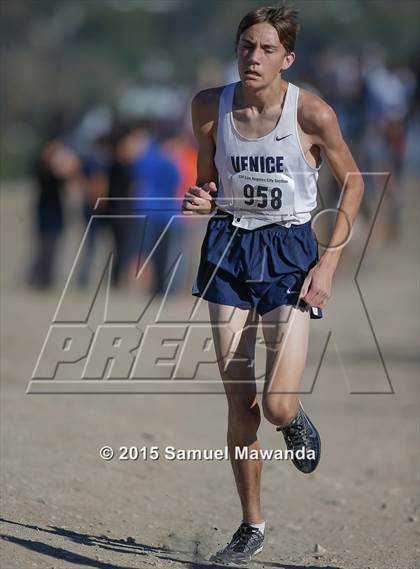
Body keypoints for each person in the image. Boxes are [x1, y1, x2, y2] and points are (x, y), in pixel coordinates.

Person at [181, 5, 364, 565]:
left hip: (289, 252)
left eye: (265, 49)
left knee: (278, 406)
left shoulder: (312, 113)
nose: (252, 58)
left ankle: (296, 418)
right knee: (240, 400)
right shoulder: (209, 106)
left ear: (287, 57)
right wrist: (201, 197)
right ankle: (251, 524)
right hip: (228, 249)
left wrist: (327, 264)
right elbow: (208, 180)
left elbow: (353, 184)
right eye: (245, 46)